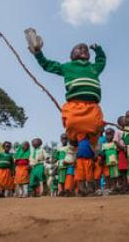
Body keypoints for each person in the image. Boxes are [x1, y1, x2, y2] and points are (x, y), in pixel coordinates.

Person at [30, 42, 106, 171]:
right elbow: (47, 65)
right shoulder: (66, 67)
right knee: (71, 123)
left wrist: (98, 50)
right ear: (72, 55)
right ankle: (72, 147)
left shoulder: (94, 67)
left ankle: (94, 144)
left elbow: (102, 60)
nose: (84, 49)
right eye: (79, 48)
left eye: (86, 49)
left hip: (92, 105)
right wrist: (38, 53)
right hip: (74, 104)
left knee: (96, 125)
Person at [102, 128, 119, 194]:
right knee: (109, 175)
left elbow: (117, 151)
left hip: (115, 162)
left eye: (110, 134)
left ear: (113, 135)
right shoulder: (104, 145)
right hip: (107, 162)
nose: (108, 136)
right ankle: (111, 187)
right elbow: (103, 153)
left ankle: (116, 187)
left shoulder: (114, 143)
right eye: (107, 135)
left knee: (116, 174)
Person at [114, 116, 128, 193]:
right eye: (124, 120)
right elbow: (115, 141)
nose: (126, 120)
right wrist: (122, 148)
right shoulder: (118, 131)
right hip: (122, 152)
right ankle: (124, 186)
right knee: (123, 170)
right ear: (120, 123)